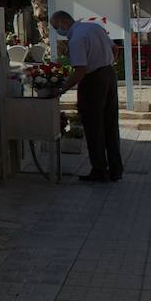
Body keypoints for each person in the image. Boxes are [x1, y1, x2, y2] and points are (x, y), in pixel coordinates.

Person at [51, 11, 123, 182]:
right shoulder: (94, 27)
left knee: (94, 126)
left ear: (62, 22)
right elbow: (114, 48)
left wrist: (62, 89)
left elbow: (80, 70)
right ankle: (116, 169)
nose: (57, 31)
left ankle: (99, 170)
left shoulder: (76, 38)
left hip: (93, 80)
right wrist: (106, 63)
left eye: (56, 27)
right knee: (110, 124)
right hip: (109, 75)